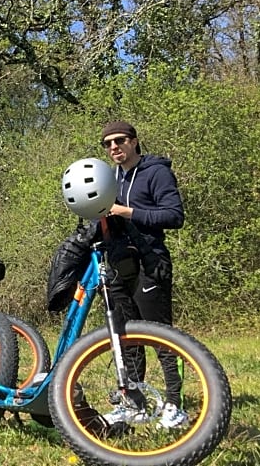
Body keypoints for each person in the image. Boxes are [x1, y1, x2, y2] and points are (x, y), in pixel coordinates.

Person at [98, 120, 187, 429]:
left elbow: (175, 216)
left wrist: (129, 212)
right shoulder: (109, 178)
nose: (114, 147)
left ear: (134, 142)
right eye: (107, 143)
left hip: (151, 265)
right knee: (126, 340)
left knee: (163, 338)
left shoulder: (156, 172)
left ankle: (175, 405)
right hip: (119, 265)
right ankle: (134, 403)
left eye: (119, 140)